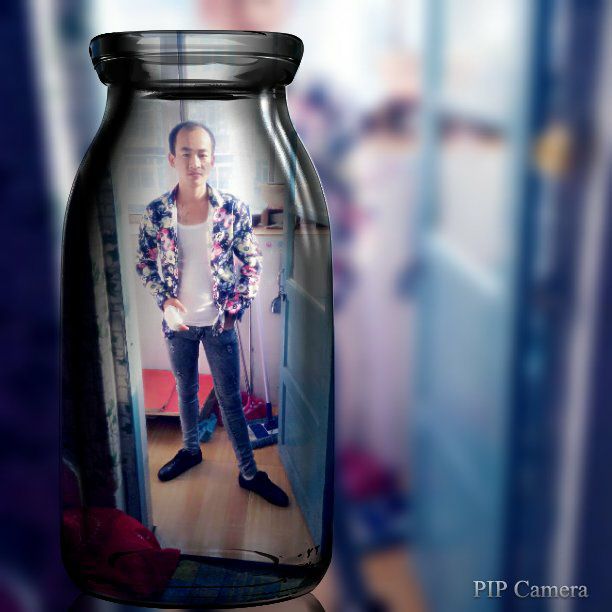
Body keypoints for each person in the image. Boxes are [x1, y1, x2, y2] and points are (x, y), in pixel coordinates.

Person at [136, 120, 288, 507]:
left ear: (212, 159)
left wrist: (234, 311)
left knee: (229, 399)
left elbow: (252, 265)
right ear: (172, 158)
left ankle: (249, 473)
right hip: (178, 327)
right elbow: (145, 264)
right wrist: (164, 300)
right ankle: (191, 450)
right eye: (186, 153)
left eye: (202, 154)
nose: (195, 162)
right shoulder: (156, 212)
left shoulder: (232, 209)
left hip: (220, 324)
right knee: (186, 391)